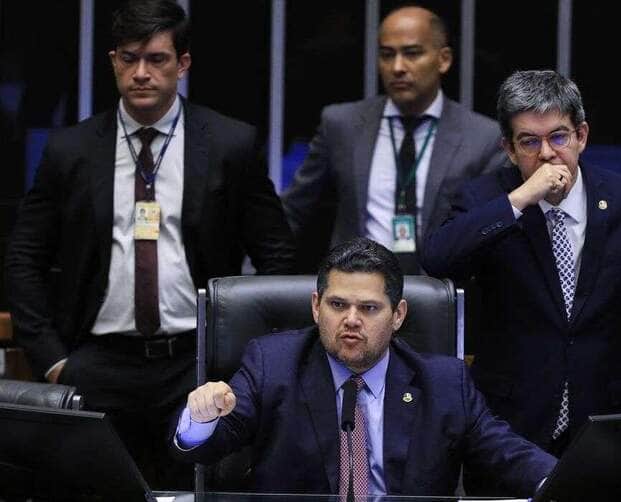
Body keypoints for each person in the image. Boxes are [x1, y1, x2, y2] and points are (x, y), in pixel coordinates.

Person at [4, 0, 295, 489]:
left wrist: (244, 356)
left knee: (192, 492)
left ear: (182, 64)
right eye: (129, 58)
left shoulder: (228, 144)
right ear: (113, 61)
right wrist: (53, 358)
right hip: (94, 363)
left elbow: (277, 258)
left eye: (157, 59)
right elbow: (24, 257)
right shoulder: (71, 150)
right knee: (94, 493)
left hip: (195, 363)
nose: (141, 73)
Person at [421, 70, 621, 492]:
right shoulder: (485, 200)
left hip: (600, 423)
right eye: (529, 141)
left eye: (559, 137)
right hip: (507, 428)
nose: (547, 154)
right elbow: (438, 258)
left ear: (582, 136)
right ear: (508, 150)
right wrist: (519, 201)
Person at [171, 237, 556, 497]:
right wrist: (201, 418)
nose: (351, 320)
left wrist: (569, 481)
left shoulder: (444, 382)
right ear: (315, 307)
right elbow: (209, 445)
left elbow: (505, 454)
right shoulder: (273, 364)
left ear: (398, 314)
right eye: (338, 305)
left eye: (369, 308)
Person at [280, 5, 506, 273]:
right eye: (387, 55)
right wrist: (252, 284)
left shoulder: (483, 137)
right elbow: (293, 212)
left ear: (443, 59)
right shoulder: (342, 125)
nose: (397, 67)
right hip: (356, 293)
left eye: (412, 53)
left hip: (441, 293)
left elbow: (489, 229)